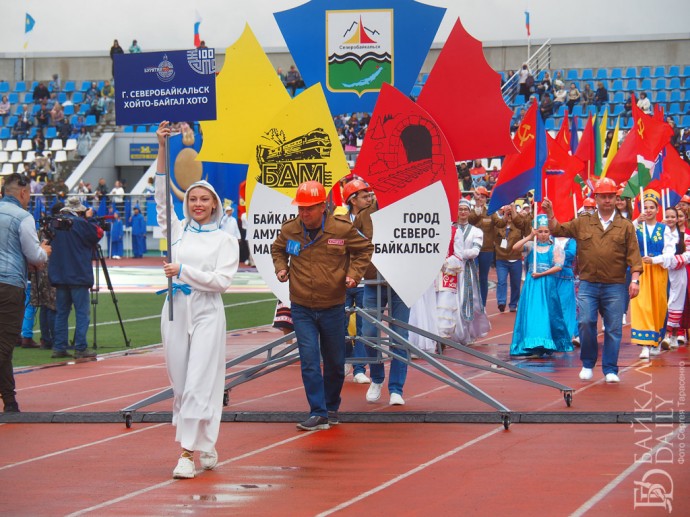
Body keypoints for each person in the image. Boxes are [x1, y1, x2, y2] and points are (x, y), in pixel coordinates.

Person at [154, 120, 240, 479]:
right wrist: (162, 147)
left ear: (215, 204)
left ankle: (186, 454)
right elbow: (160, 195)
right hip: (174, 311)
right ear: (187, 203)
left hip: (207, 312)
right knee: (180, 383)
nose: (198, 203)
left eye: (205, 199)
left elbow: (221, 282)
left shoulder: (225, 240)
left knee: (200, 382)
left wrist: (183, 271)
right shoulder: (176, 230)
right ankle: (205, 440)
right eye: (193, 198)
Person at [272, 180, 373, 430]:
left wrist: (354, 274)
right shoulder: (290, 230)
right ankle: (317, 411)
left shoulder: (341, 229)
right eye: (301, 209)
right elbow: (277, 250)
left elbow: (364, 249)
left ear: (322, 207)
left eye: (309, 209)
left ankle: (331, 407)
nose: (304, 214)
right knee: (308, 359)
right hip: (302, 305)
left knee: (335, 362)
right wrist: (281, 267)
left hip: (332, 305)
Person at [542, 177, 643, 383]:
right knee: (586, 322)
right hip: (588, 283)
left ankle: (611, 369)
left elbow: (634, 256)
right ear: (595, 198)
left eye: (610, 197)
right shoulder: (583, 222)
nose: (607, 200)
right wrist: (550, 213)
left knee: (613, 328)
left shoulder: (625, 226)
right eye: (603, 196)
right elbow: (558, 230)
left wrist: (635, 280)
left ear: (616, 199)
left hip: (615, 285)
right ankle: (588, 363)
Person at [0, 173, 51, 412]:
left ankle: (10, 402)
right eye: (29, 193)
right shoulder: (23, 217)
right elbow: (35, 256)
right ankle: (10, 401)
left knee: (4, 348)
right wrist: (44, 251)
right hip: (9, 285)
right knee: (5, 346)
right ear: (22, 193)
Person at [48, 197, 103, 360]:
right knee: (81, 313)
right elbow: (97, 234)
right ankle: (80, 347)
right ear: (79, 211)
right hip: (78, 274)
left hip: (59, 274)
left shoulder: (54, 223)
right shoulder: (81, 223)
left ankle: (59, 347)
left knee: (62, 312)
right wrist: (90, 218)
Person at [510, 215, 571, 357]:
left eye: (546, 231)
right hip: (532, 285)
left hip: (547, 284)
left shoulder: (555, 248)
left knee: (548, 314)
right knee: (532, 313)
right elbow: (514, 248)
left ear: (550, 232)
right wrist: (530, 236)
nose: (543, 234)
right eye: (540, 231)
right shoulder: (531, 246)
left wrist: (542, 274)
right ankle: (532, 343)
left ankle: (547, 342)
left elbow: (558, 266)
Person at [632, 192, 675, 358]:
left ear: (658, 209)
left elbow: (670, 253)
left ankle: (657, 339)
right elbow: (625, 234)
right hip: (640, 269)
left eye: (652, 207)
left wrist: (655, 259)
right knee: (642, 305)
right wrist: (637, 221)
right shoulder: (636, 227)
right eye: (645, 207)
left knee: (658, 305)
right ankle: (645, 345)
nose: (648, 210)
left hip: (658, 270)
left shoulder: (665, 230)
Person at [341, 179, 374, 384]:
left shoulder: (373, 217)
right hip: (342, 280)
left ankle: (359, 367)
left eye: (370, 195)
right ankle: (347, 359)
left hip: (365, 280)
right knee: (340, 325)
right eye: (364, 196)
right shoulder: (340, 220)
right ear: (353, 200)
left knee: (364, 327)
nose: (369, 199)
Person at [493, 204, 530, 312]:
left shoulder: (519, 226)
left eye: (511, 214)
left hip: (515, 259)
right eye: (507, 213)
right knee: (501, 281)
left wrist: (519, 214)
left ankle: (513, 304)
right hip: (501, 258)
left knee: (515, 283)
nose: (509, 216)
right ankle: (501, 302)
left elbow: (527, 229)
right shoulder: (498, 225)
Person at [468, 186, 494, 307]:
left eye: (483, 197)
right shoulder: (471, 211)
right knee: (472, 276)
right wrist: (477, 206)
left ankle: (482, 305)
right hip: (473, 248)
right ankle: (471, 303)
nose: (481, 199)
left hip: (486, 249)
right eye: (479, 197)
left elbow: (500, 225)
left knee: (483, 278)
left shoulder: (491, 212)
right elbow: (471, 220)